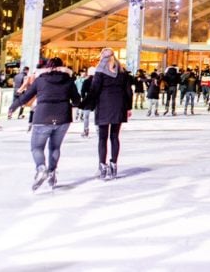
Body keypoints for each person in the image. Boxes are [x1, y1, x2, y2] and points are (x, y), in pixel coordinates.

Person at [8, 57, 80, 190]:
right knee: (55, 147)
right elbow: (76, 101)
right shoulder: (69, 81)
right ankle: (52, 173)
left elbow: (26, 96)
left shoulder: (40, 80)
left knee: (37, 147)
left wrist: (13, 107)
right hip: (63, 117)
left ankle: (41, 168)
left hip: (43, 117)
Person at [89, 48, 133, 179]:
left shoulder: (100, 71)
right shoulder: (122, 71)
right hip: (118, 106)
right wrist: (128, 107)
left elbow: (94, 89)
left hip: (103, 106)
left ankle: (102, 165)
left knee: (102, 138)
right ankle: (113, 163)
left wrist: (88, 104)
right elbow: (128, 91)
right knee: (114, 136)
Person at [80, 67, 96, 137]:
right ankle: (98, 130)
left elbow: (82, 91)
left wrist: (84, 98)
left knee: (86, 117)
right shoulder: (97, 81)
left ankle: (86, 130)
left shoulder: (86, 81)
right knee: (97, 116)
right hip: (96, 100)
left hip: (88, 100)